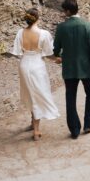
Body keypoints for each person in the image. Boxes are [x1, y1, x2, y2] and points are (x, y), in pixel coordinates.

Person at [53, 0, 90, 140]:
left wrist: (61, 55)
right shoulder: (87, 25)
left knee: (70, 97)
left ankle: (74, 130)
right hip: (86, 68)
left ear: (68, 11)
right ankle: (89, 124)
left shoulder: (61, 27)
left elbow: (56, 49)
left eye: (64, 10)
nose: (63, 13)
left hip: (69, 69)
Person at [11, 8, 60, 141]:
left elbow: (17, 52)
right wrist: (57, 59)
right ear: (37, 18)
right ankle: (37, 130)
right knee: (38, 94)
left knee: (30, 93)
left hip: (24, 64)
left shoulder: (20, 32)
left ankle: (33, 122)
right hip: (37, 65)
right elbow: (49, 53)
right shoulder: (44, 34)